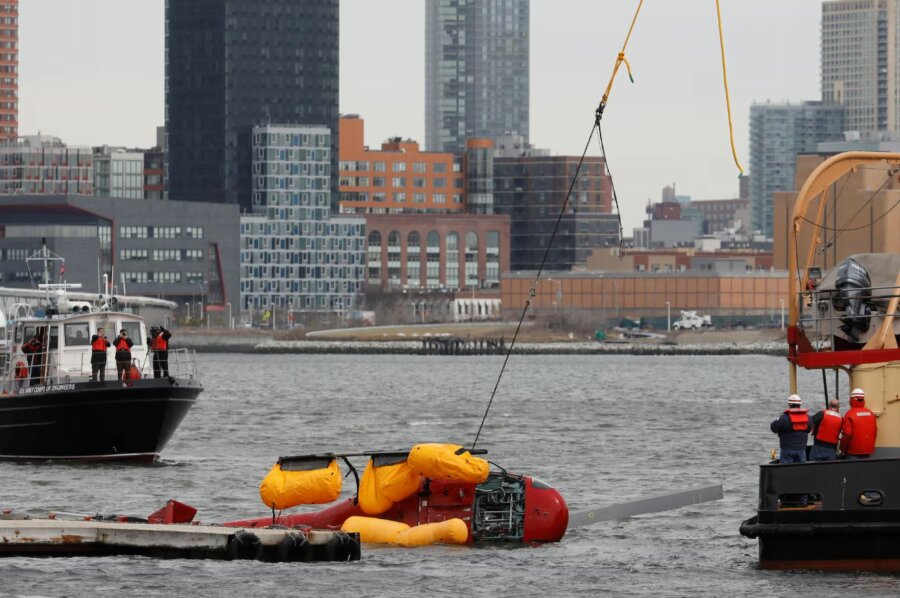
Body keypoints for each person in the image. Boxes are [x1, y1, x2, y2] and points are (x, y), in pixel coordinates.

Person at [770, 394, 810, 463]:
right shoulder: (808, 418)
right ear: (799, 405)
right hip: (801, 449)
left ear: (789, 405)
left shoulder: (783, 418)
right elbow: (809, 428)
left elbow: (773, 428)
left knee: (786, 471)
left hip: (786, 450)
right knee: (801, 471)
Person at [840, 388, 877, 458]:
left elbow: (847, 435)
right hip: (868, 451)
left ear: (852, 400)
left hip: (853, 452)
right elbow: (874, 432)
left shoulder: (849, 414)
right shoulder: (870, 413)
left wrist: (842, 448)